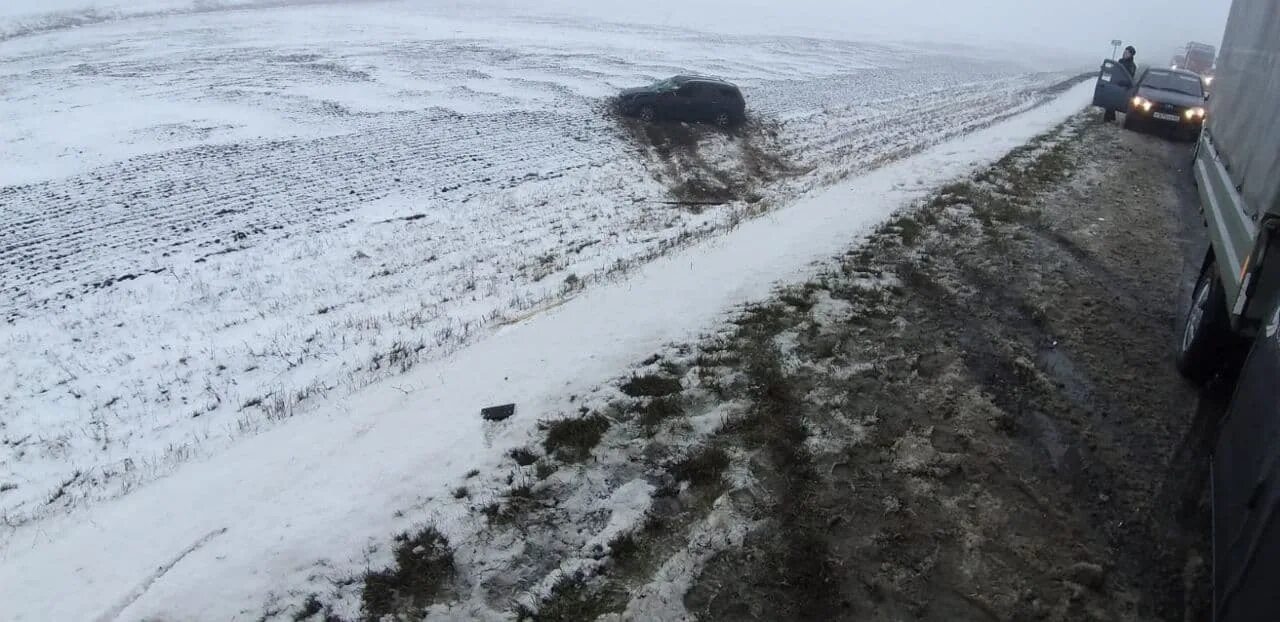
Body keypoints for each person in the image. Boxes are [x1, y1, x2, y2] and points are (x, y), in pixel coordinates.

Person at [1105, 46, 1138, 122]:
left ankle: (1109, 119)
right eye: (1124, 52)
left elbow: (1130, 78)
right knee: (1109, 102)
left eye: (1127, 53)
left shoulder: (1132, 66)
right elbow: (1115, 71)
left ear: (1131, 55)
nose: (1124, 54)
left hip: (1122, 87)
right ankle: (1110, 118)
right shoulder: (1120, 61)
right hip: (1115, 84)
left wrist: (1122, 82)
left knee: (1113, 102)